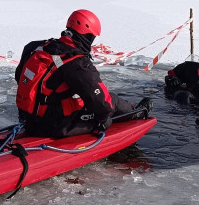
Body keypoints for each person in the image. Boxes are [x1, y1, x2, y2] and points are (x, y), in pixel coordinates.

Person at [15, 9, 152, 138]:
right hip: (55, 125)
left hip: (27, 118)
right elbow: (102, 104)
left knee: (77, 97)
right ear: (86, 34)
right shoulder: (76, 62)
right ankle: (137, 113)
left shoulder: (35, 47)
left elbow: (19, 77)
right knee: (112, 101)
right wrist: (104, 120)